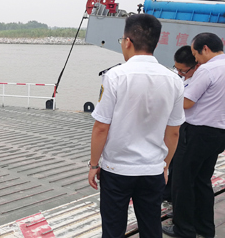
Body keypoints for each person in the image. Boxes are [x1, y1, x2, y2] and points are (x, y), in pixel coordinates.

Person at [88, 14, 185, 237]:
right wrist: (165, 165)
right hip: (152, 169)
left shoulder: (115, 76)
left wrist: (94, 165)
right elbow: (174, 131)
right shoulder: (174, 80)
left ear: (128, 41)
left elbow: (101, 127)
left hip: (116, 169)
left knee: (113, 228)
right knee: (151, 227)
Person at [164, 33, 225, 238]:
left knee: (182, 182)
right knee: (201, 181)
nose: (195, 59)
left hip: (197, 133)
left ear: (205, 49)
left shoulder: (208, 69)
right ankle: (205, 228)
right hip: (218, 133)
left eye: (195, 54)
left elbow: (187, 102)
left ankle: (184, 230)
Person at [164, 45, 200, 203]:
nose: (179, 73)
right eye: (176, 68)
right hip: (177, 125)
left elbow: (186, 103)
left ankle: (177, 205)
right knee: (173, 164)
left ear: (196, 66)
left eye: (183, 70)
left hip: (188, 129)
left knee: (181, 170)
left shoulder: (199, 80)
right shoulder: (181, 78)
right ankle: (167, 194)